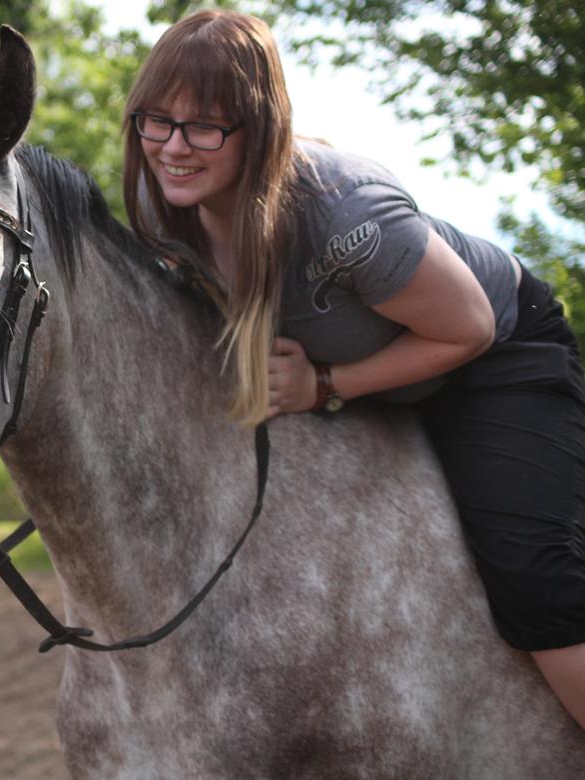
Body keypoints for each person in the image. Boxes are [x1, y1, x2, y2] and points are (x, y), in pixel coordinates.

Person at [122, 7, 585, 730]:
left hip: (492, 358)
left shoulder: (344, 212)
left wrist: (326, 387)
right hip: (361, 366)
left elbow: (469, 327)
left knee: (530, 572)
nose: (174, 148)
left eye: (204, 126)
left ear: (261, 127)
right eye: (157, 120)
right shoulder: (162, 207)